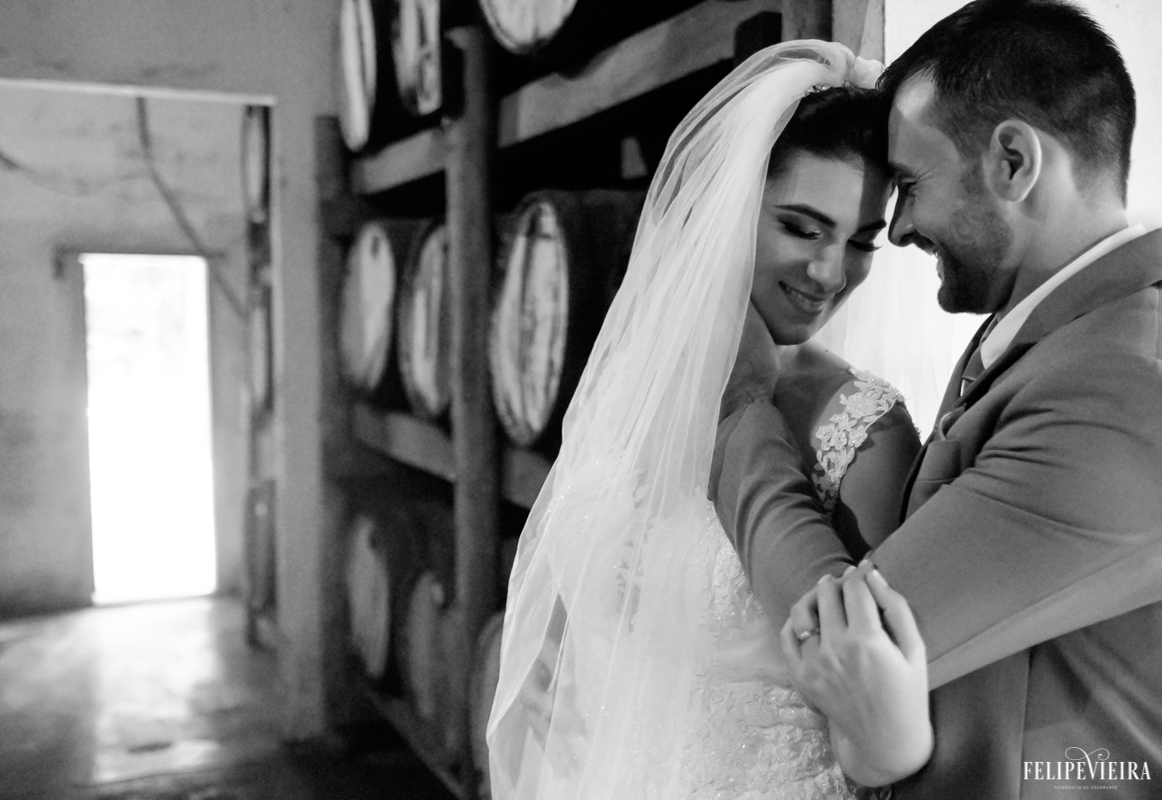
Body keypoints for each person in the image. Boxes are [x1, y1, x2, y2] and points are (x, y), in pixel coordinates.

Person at [711, 1, 1162, 798]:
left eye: (911, 186)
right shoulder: (1055, 334)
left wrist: (744, 407)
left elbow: (842, 633)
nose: (901, 228)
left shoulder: (1125, 382)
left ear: (1013, 161)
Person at [487, 40, 925, 799]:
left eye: (858, 243)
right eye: (800, 226)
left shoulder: (865, 429)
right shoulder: (635, 384)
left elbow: (875, 706)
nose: (829, 274)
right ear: (726, 211)